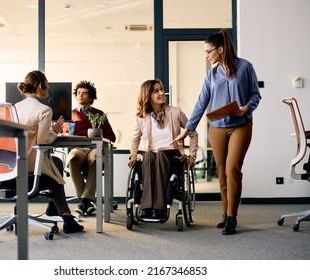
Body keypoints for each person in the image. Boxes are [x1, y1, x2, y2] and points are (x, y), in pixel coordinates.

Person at [172, 29, 262, 235]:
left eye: (208, 51)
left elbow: (256, 95)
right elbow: (201, 103)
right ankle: (225, 212)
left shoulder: (245, 67)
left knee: (232, 169)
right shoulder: (211, 75)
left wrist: (248, 107)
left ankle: (232, 217)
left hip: (241, 125)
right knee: (221, 171)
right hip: (218, 128)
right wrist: (187, 130)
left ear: (220, 49)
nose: (206, 55)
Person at [15, 70, 84, 234]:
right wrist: (55, 130)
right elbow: (42, 142)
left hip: (11, 167)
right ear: (41, 85)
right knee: (56, 167)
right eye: (47, 85)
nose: (48, 89)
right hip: (32, 168)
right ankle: (66, 217)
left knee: (57, 163)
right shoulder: (44, 110)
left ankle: (57, 209)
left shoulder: (13, 109)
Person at [128, 79, 198, 220]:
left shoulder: (175, 112)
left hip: (172, 157)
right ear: (147, 96)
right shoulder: (141, 118)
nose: (161, 93)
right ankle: (147, 207)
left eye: (161, 89)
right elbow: (135, 139)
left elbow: (193, 133)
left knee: (160, 154)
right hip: (151, 158)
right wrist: (133, 155)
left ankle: (159, 208)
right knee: (148, 155)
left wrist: (192, 155)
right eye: (156, 91)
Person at [66, 80, 116, 216]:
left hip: (95, 148)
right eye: (78, 93)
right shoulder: (69, 115)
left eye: (84, 93)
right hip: (79, 148)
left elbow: (112, 137)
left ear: (91, 98)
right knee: (73, 158)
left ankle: (84, 201)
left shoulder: (99, 114)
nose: (80, 95)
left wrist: (101, 138)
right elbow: (65, 134)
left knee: (96, 158)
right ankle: (86, 201)